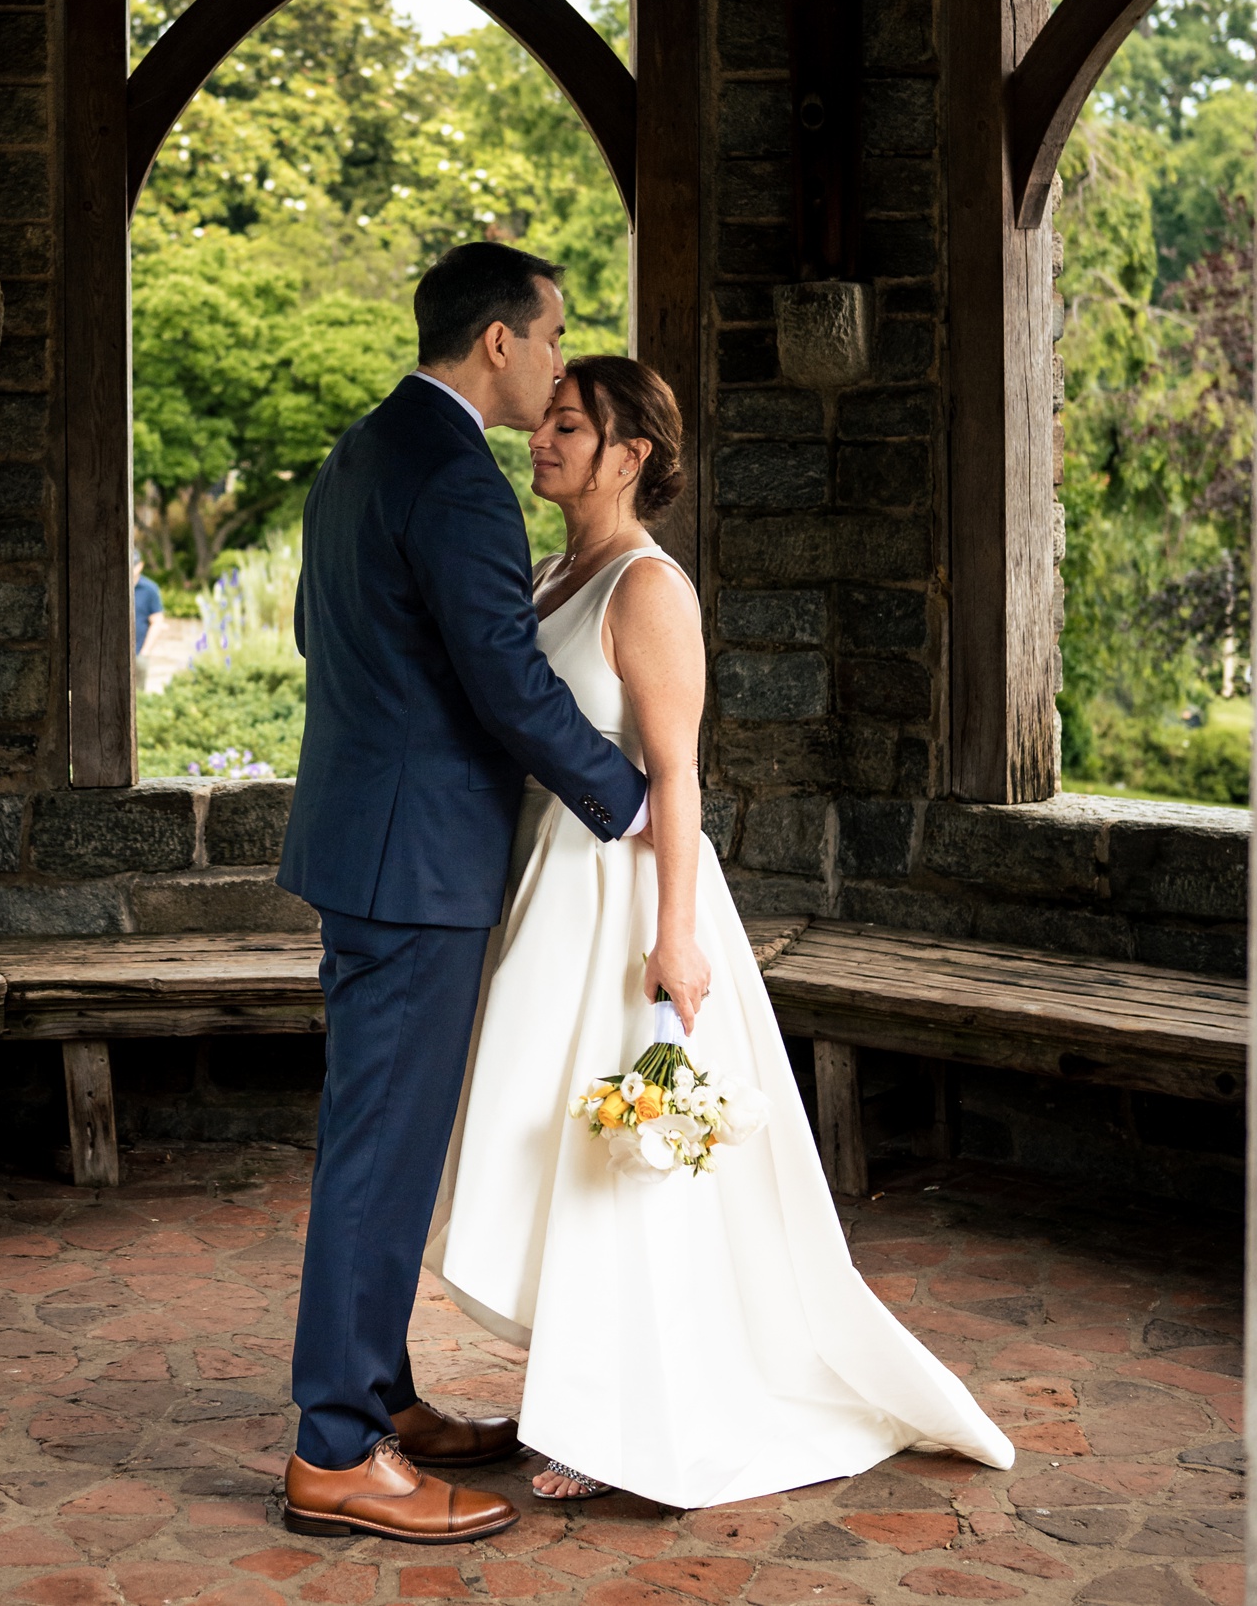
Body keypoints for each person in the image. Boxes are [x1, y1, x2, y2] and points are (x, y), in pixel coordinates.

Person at [427, 355, 1013, 1507]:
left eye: (565, 426)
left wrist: (676, 936)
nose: (539, 440)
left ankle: (622, 1422)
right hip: (541, 893)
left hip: (624, 903)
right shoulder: (553, 573)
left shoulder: (651, 588)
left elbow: (679, 769)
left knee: (624, 1156)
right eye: (542, 422)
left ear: (628, 455)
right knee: (555, 1148)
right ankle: (582, 1390)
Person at [277, 244, 656, 1545]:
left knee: (372, 1139)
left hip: (361, 844)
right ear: (496, 340)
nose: (557, 361)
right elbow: (501, 678)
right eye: (550, 337)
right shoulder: (455, 477)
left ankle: (377, 1397)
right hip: (414, 859)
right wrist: (627, 796)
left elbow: (314, 634)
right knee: (379, 1153)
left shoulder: (360, 453)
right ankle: (335, 1449)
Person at [132, 552, 163, 693]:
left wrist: (145, 651)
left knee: (138, 694)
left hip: (138, 651)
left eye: (134, 565)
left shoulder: (149, 589)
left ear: (140, 565)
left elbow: (157, 621)